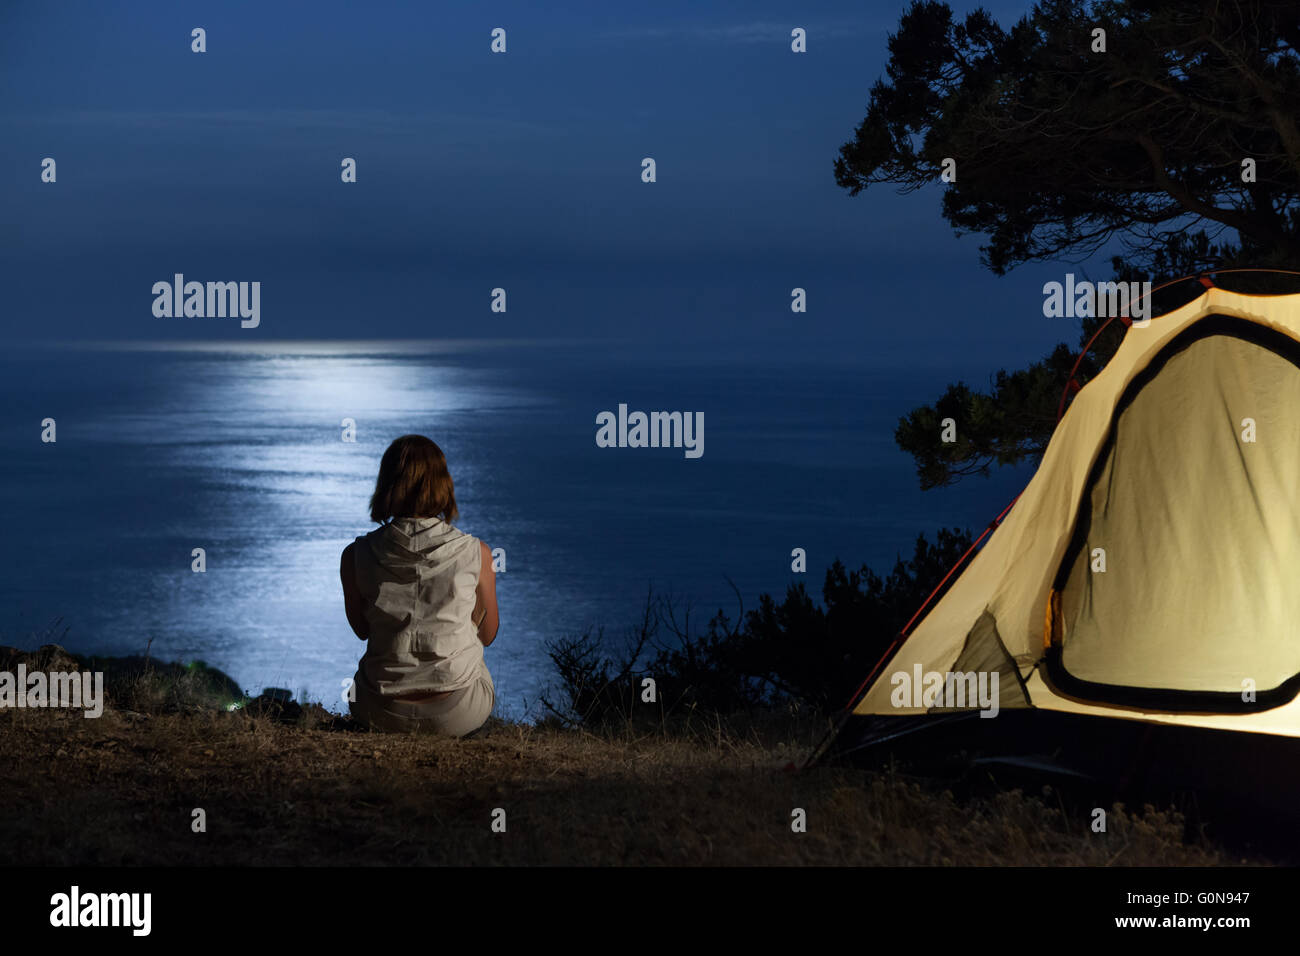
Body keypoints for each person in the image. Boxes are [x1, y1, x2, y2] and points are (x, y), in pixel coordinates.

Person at [339, 434, 499, 736]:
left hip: (377, 710)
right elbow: (488, 634)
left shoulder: (355, 555)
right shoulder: (476, 553)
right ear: (444, 484)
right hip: (457, 713)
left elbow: (362, 630)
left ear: (386, 483)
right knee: (475, 655)